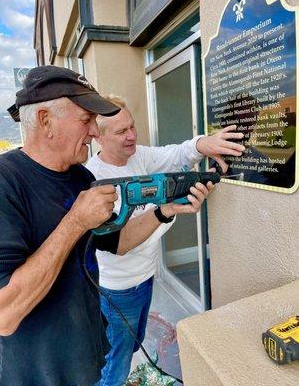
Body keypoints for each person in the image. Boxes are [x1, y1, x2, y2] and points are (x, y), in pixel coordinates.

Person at [0, 66, 212, 386]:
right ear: (45, 121)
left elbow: (116, 241)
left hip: (87, 354)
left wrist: (166, 210)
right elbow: (5, 313)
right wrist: (75, 222)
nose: (95, 133)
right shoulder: (6, 182)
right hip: (38, 373)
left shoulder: (80, 178)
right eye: (86, 120)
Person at [86, 95, 245, 386]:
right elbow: (117, 243)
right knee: (116, 360)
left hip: (146, 277)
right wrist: (167, 209)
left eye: (132, 126)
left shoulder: (140, 156)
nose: (132, 135)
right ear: (98, 136)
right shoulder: (93, 180)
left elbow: (177, 154)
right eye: (121, 131)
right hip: (118, 290)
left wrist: (203, 144)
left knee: (133, 344)